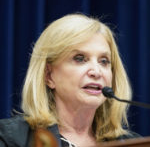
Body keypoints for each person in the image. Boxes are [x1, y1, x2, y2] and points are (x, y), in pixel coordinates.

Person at [0, 13, 141, 147]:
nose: (96, 72)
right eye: (80, 59)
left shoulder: (134, 143)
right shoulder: (10, 139)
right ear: (48, 75)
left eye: (104, 61)